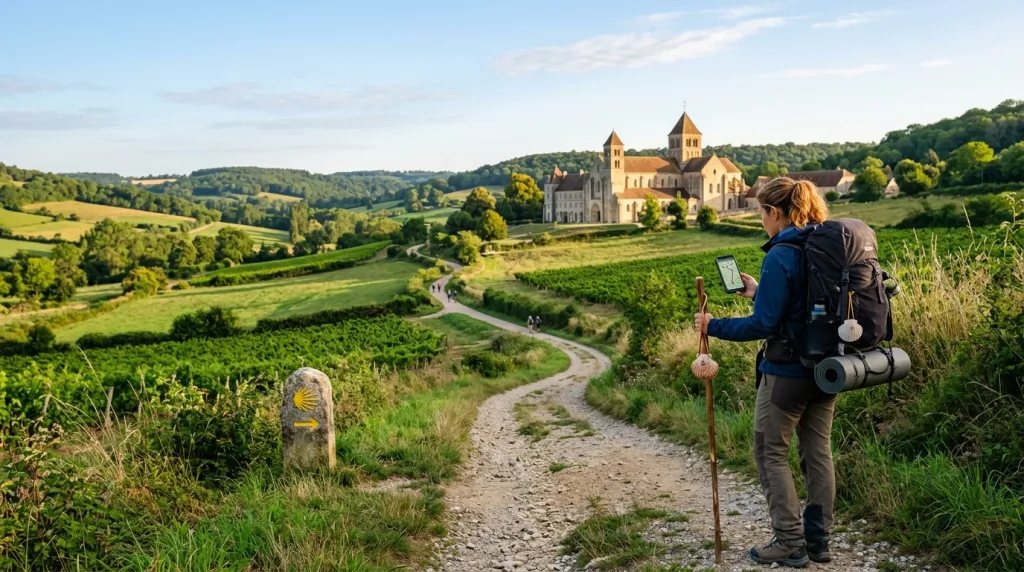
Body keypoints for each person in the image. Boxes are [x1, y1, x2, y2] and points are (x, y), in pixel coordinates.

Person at [693, 177, 835, 568]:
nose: (760, 220)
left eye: (761, 212)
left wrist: (712, 325)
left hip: (786, 372)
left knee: (770, 451)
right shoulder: (820, 244)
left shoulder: (781, 253)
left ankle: (790, 542)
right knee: (817, 452)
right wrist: (759, 291)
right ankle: (818, 541)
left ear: (774, 212)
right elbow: (799, 306)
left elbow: (763, 325)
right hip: (827, 368)